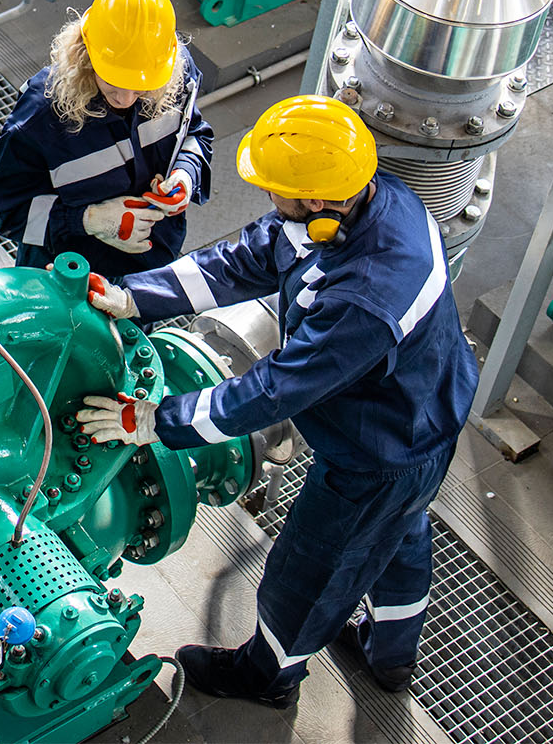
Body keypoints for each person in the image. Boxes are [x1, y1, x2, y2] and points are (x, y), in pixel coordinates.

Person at [74, 95, 478, 708]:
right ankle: (392, 657)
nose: (269, 200)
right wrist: (138, 297)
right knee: (397, 535)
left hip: (379, 449)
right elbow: (249, 258)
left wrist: (156, 422)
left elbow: (274, 390)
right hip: (428, 412)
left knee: (312, 571)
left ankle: (268, 676)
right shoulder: (367, 197)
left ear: (316, 200)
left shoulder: (367, 296)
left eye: (276, 191)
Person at [0, 0, 215, 278]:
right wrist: (88, 220)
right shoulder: (41, 117)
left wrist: (185, 174)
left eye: (140, 88)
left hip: (152, 268)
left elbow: (194, 133)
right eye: (113, 82)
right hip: (66, 276)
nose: (126, 100)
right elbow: (2, 212)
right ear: (85, 55)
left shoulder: (172, 73)